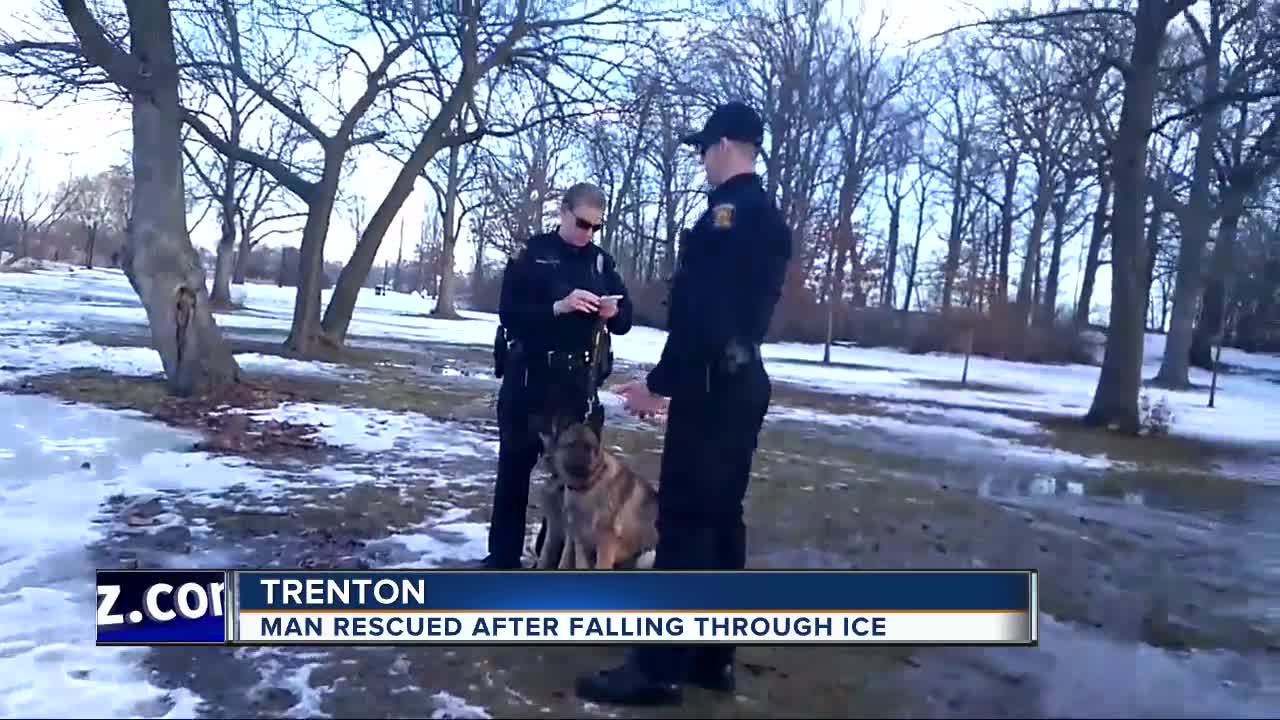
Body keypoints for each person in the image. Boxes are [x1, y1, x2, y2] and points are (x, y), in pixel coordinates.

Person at [574, 101, 793, 706]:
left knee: (687, 526)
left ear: (725, 145)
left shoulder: (727, 217)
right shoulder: (767, 215)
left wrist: (662, 384)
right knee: (723, 524)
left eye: (704, 148)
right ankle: (709, 657)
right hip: (742, 382)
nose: (701, 159)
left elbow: (703, 315)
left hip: (710, 383)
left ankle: (658, 667)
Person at [479, 182, 634, 570]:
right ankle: (502, 558)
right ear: (564, 212)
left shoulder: (601, 263)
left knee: (575, 481)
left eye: (596, 227)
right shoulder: (533, 254)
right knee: (514, 470)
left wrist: (614, 313)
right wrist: (557, 308)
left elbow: (627, 319)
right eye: (583, 223)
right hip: (530, 377)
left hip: (576, 387)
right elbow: (509, 313)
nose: (588, 234)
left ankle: (552, 561)